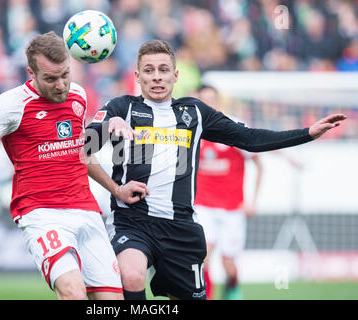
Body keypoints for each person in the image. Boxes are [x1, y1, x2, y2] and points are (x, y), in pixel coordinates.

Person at [83, 39, 346, 300]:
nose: (157, 77)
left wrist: (308, 133)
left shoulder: (194, 112)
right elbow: (82, 150)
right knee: (131, 274)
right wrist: (113, 170)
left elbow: (249, 138)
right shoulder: (121, 108)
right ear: (138, 77)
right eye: (149, 71)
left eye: (163, 70)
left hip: (181, 228)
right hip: (132, 222)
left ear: (175, 75)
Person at [0, 31, 147, 300]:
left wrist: (115, 189)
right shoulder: (9, 106)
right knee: (73, 292)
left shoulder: (79, 96)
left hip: (86, 211)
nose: (60, 85)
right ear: (31, 72)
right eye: (50, 78)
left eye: (64, 75)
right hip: (42, 213)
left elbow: (80, 154)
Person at [193, 85, 263, 300]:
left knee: (228, 264)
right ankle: (206, 296)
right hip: (203, 205)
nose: (209, 104)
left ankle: (232, 290)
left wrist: (253, 201)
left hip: (233, 207)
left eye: (212, 99)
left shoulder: (233, 127)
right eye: (204, 100)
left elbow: (259, 164)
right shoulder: (192, 128)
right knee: (202, 257)